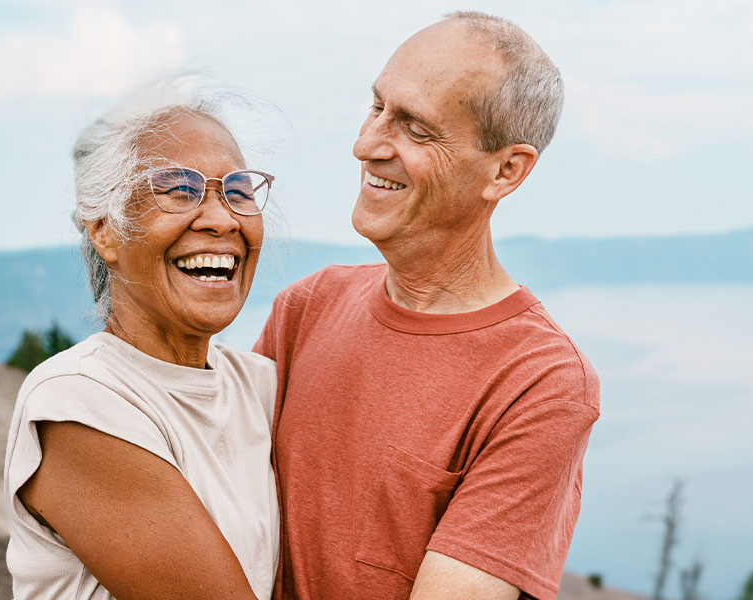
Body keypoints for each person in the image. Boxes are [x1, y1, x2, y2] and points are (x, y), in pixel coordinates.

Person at [254, 11, 599, 600]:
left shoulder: (541, 382)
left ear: (506, 170)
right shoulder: (307, 308)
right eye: (377, 107)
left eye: (415, 129)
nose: (365, 146)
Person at [2, 82, 278, 600]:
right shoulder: (80, 401)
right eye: (178, 190)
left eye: (237, 191)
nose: (222, 219)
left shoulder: (258, 387)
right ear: (106, 231)